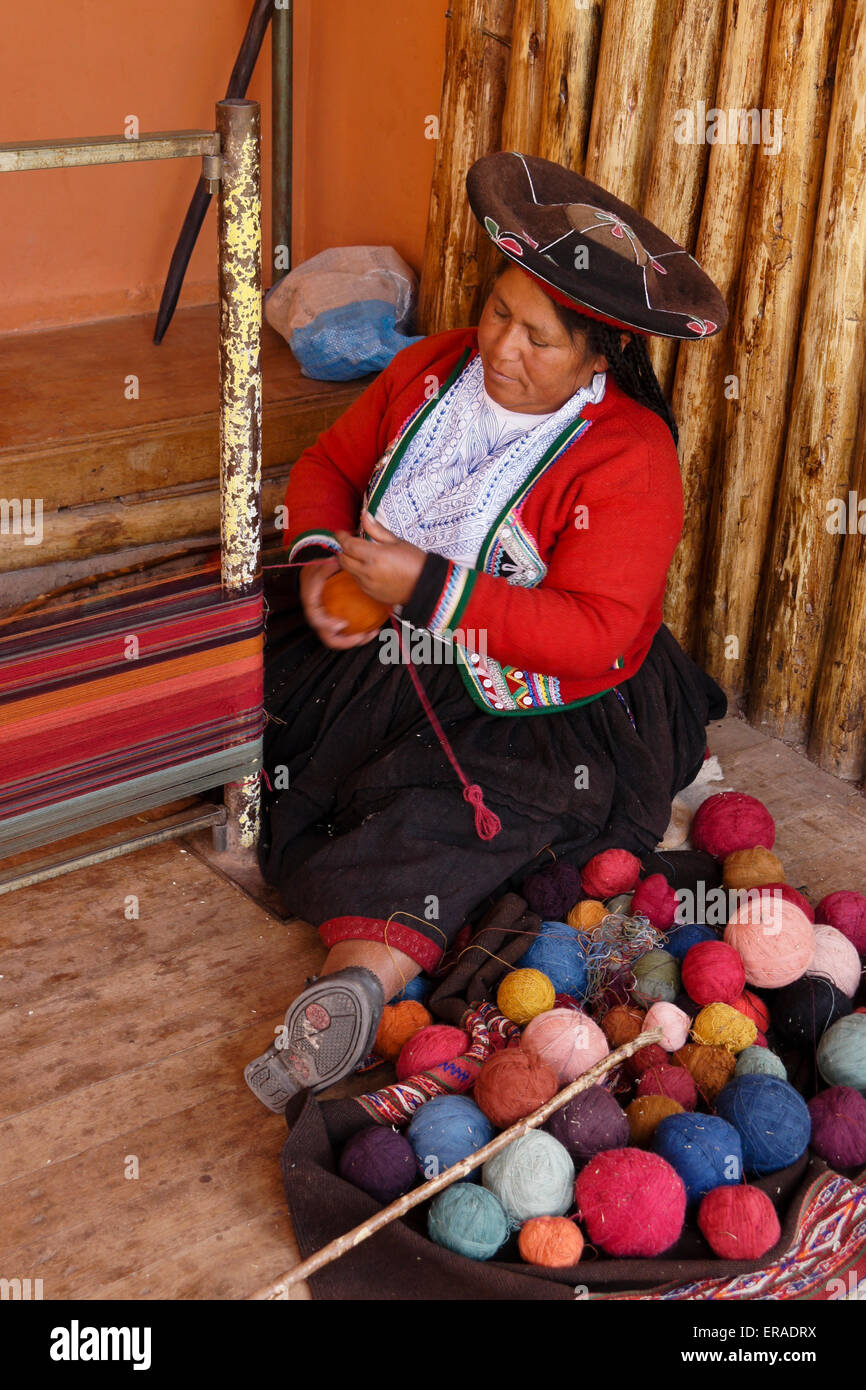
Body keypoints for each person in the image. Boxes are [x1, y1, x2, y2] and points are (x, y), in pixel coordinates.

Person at [245, 150, 728, 1112]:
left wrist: (425, 585)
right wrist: (316, 563)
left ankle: (351, 988)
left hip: (547, 701)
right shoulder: (431, 371)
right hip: (388, 638)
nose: (501, 349)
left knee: (450, 809)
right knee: (237, 680)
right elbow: (331, 467)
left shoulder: (630, 457)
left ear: (601, 357)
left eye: (538, 339)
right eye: (498, 312)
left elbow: (592, 634)